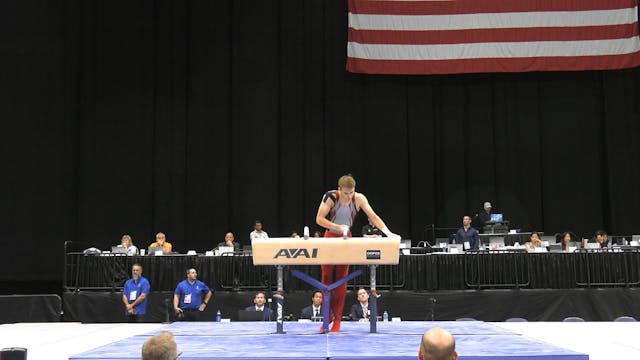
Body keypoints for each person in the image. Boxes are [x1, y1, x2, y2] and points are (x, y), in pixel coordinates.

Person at [315, 174, 398, 332]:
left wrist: (388, 233)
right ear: (339, 190)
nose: (349, 196)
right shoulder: (331, 196)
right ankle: (327, 317)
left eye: (351, 192)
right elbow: (319, 219)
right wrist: (340, 227)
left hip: (347, 240)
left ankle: (338, 320)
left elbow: (373, 216)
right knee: (325, 280)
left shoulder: (359, 199)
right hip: (329, 237)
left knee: (341, 280)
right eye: (346, 193)